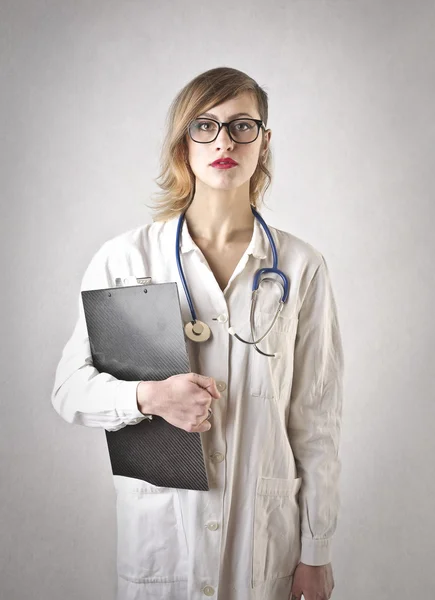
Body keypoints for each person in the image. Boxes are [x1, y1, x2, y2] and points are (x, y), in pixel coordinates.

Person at [51, 66, 344, 600]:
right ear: (183, 143)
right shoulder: (126, 259)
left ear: (264, 141)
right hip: (164, 541)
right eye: (204, 126)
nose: (224, 141)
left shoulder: (301, 267)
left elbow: (316, 422)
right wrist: (151, 397)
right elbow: (69, 390)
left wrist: (316, 549)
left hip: (263, 543)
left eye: (241, 126)